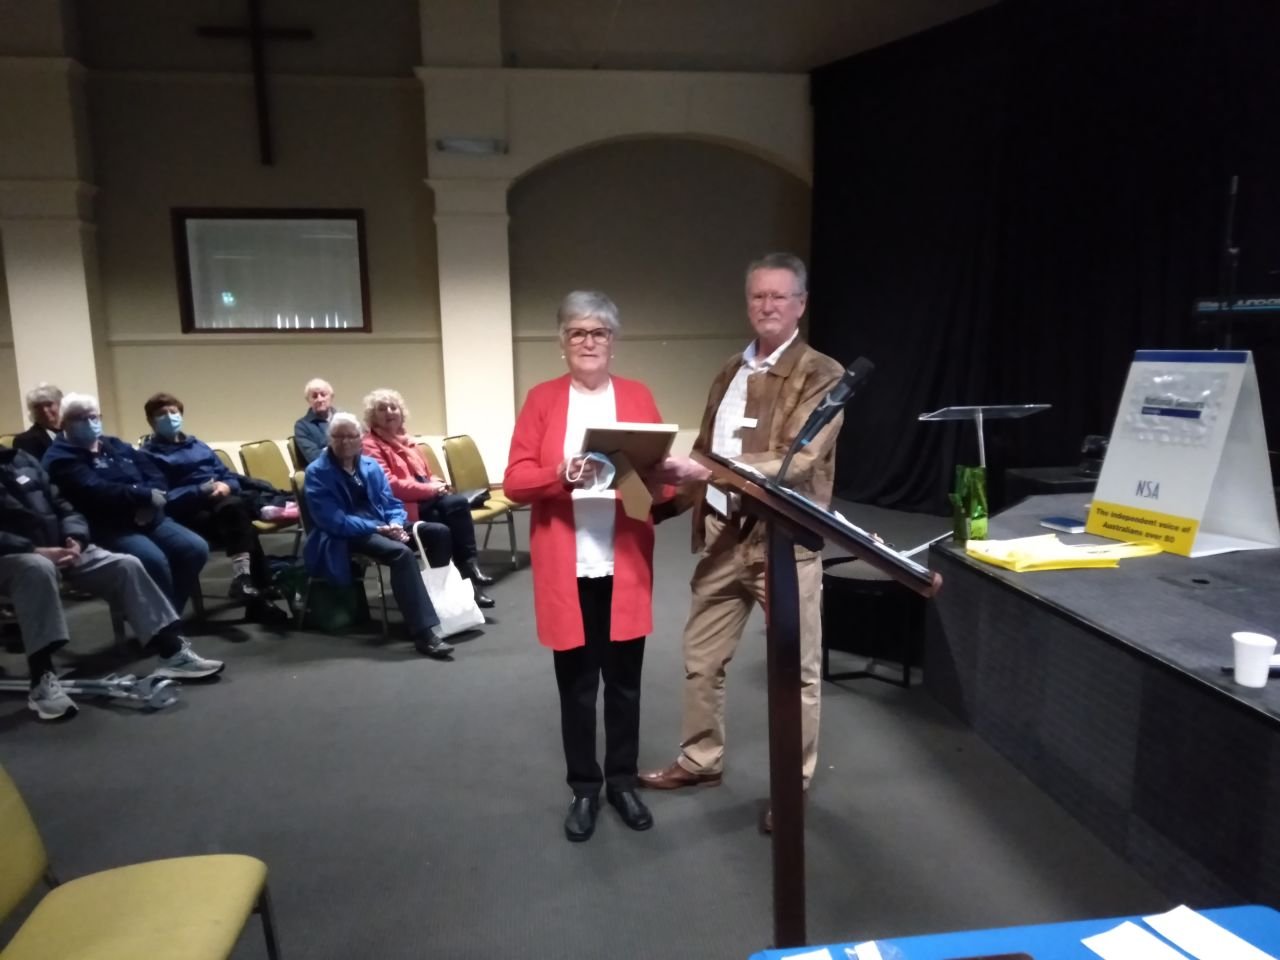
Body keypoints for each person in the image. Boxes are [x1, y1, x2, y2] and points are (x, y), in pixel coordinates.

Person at [638, 253, 846, 833]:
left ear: (800, 304)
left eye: (780, 296)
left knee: (794, 671)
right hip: (727, 537)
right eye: (758, 296)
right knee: (701, 658)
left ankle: (792, 787)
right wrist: (659, 501)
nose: (768, 306)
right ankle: (700, 759)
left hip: (784, 543)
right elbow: (705, 451)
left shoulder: (822, 373)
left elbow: (798, 461)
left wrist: (706, 474)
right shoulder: (730, 368)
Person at [504, 290, 672, 842]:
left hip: (622, 558)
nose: (588, 341)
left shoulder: (639, 396)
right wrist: (561, 474)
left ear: (613, 342)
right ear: (562, 342)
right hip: (567, 563)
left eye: (598, 332)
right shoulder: (543, 400)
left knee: (624, 683)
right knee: (577, 687)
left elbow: (659, 481)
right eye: (577, 332)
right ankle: (584, 787)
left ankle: (622, 780)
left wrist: (669, 473)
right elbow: (514, 480)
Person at [0, 445, 224, 721]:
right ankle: (42, 679)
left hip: (61, 549)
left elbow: (63, 506)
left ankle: (170, 652)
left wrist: (76, 538)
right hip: (13, 557)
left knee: (125, 564)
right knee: (37, 569)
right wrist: (33, 550)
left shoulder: (22, 458)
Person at [42, 393, 210, 617]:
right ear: (64, 423)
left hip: (149, 516)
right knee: (153, 560)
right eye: (80, 418)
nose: (90, 423)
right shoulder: (60, 457)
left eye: (93, 417)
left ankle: (166, 617)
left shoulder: (114, 444)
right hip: (109, 525)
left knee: (195, 548)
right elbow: (96, 489)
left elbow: (154, 473)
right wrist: (145, 496)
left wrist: (152, 501)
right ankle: (161, 625)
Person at [303, 412, 453, 659]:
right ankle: (423, 632)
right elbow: (331, 519)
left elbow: (391, 501)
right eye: (338, 437)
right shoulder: (317, 472)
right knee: (401, 554)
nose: (345, 442)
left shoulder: (369, 465)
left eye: (351, 436)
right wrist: (376, 528)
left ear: (359, 438)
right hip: (347, 534)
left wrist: (395, 522)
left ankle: (437, 607)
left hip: (384, 524)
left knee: (438, 533)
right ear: (329, 439)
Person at [138, 392, 289, 623]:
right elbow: (162, 498)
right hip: (186, 514)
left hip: (221, 508)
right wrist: (200, 491)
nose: (169, 417)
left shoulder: (197, 445)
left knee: (234, 510)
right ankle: (258, 592)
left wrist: (226, 486)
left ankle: (248, 584)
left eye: (174, 412)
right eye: (162, 414)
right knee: (240, 520)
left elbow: (229, 476)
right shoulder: (149, 455)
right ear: (151, 421)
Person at [360, 388, 494, 609]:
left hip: (424, 499)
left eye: (393, 407)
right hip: (403, 509)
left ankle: (466, 580)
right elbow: (390, 485)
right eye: (382, 409)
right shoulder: (369, 445)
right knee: (447, 516)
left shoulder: (408, 441)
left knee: (454, 507)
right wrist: (430, 489)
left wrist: (436, 482)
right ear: (372, 416)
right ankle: (467, 577)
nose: (389, 412)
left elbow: (424, 474)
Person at [12, 383, 63, 460]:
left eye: (49, 404)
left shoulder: (72, 432)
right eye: (37, 407)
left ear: (60, 405)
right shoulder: (24, 440)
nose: (44, 410)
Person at [293, 378, 335, 466]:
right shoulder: (302, 426)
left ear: (331, 397)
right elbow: (313, 456)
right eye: (314, 396)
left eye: (323, 395)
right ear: (309, 401)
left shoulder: (345, 418)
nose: (319, 400)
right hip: (325, 471)